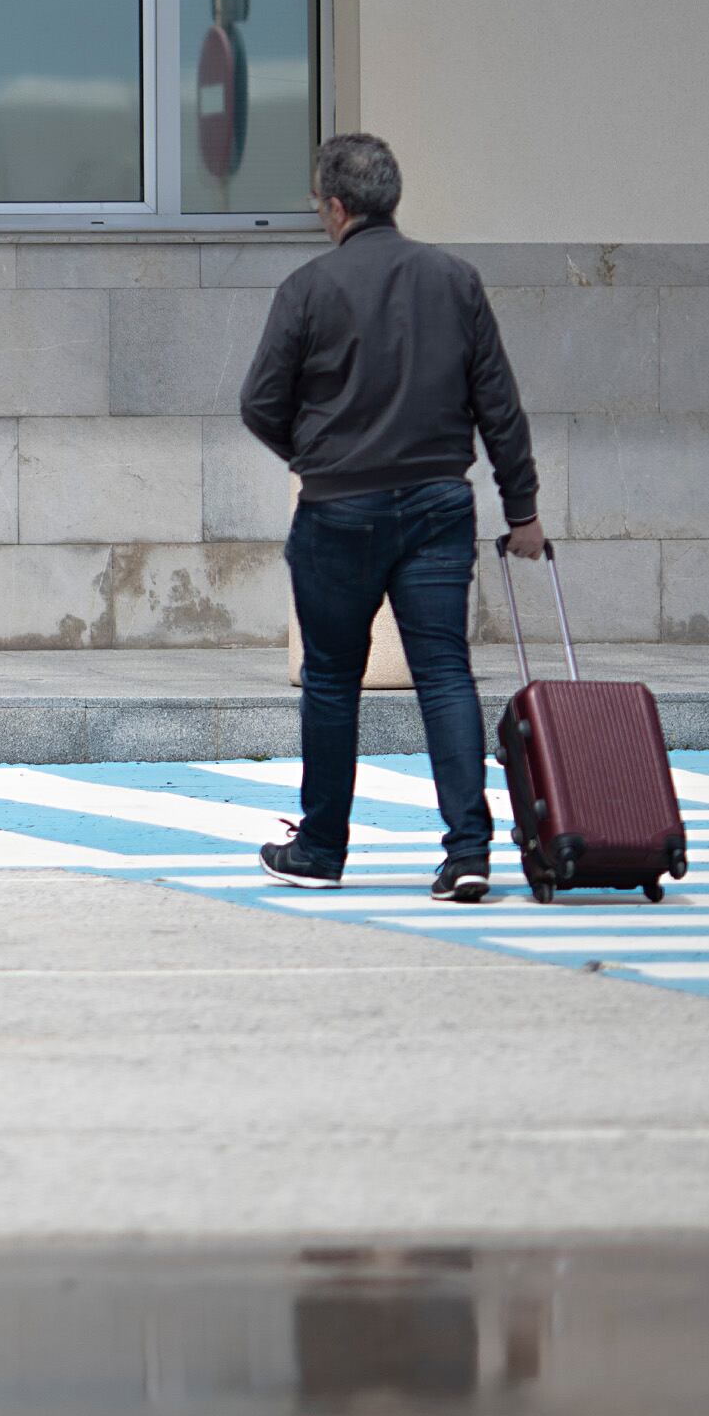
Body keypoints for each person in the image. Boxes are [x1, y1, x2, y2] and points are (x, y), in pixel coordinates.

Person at [242, 133, 544, 903]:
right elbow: (499, 406)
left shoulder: (308, 288)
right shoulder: (456, 281)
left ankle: (321, 850)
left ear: (336, 207)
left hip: (338, 509)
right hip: (440, 503)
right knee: (444, 673)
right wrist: (523, 511)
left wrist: (311, 454)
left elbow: (260, 403)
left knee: (333, 680)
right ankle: (467, 852)